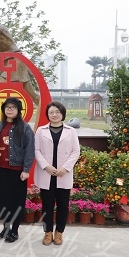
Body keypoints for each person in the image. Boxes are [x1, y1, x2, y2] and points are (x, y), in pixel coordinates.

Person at [34, 101, 80, 246]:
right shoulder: (41, 130)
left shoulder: (70, 131)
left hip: (63, 174)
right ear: (47, 114)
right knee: (47, 205)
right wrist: (46, 166)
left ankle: (59, 232)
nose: (54, 115)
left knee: (63, 205)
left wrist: (65, 168)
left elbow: (75, 151)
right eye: (51, 112)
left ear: (62, 114)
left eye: (57, 112)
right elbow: (36, 150)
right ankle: (48, 232)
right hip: (47, 174)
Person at [0, 97, 35, 243]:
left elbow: (30, 150)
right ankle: (6, 228)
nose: (10, 110)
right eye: (7, 107)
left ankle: (15, 230)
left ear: (18, 110)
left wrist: (26, 169)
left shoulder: (25, 128)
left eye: (13, 107)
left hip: (17, 171)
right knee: (3, 200)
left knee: (17, 201)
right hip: (0, 170)